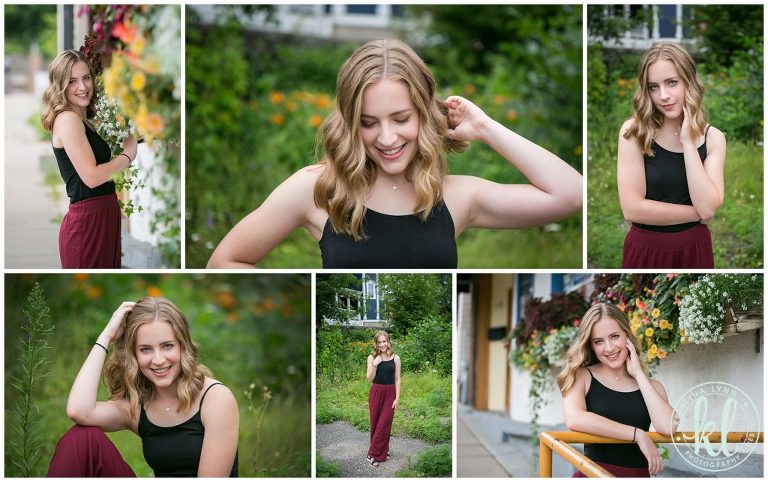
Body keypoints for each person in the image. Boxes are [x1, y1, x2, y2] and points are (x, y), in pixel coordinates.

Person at [207, 39, 582, 269]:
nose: (387, 138)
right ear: (350, 122)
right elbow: (224, 261)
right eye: (368, 122)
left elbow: (572, 194)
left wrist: (485, 128)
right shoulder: (317, 189)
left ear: (423, 111)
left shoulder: (454, 196)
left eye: (401, 119)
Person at [47, 297, 239, 477]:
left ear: (183, 346)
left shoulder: (216, 399)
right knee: (81, 438)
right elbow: (79, 411)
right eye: (145, 349)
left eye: (167, 346)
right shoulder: (138, 407)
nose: (158, 360)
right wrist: (105, 337)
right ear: (134, 356)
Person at [617, 42, 725, 268]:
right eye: (653, 87)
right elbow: (632, 208)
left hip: (694, 249)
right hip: (646, 249)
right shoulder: (634, 131)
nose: (663, 95)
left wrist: (687, 143)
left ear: (689, 81)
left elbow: (708, 205)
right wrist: (697, 214)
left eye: (672, 83)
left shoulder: (714, 138)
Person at [41, 50, 137, 268]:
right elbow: (92, 177)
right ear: (61, 86)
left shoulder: (82, 119)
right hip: (88, 222)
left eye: (86, 78)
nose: (83, 87)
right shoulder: (67, 120)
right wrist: (127, 156)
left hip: (103, 215)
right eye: (72, 81)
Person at [558, 303, 677, 477]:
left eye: (614, 336)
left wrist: (638, 374)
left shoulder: (652, 386)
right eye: (598, 341)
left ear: (627, 336)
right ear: (591, 345)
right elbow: (574, 418)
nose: (609, 348)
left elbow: (668, 427)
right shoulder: (581, 376)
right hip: (595, 475)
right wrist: (638, 435)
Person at [365, 331, 401, 468]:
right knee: (376, 423)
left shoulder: (395, 358)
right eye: (379, 342)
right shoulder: (372, 357)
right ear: (376, 343)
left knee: (384, 423)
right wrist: (375, 363)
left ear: (388, 342)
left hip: (390, 392)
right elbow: (369, 378)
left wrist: (397, 398)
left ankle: (372, 453)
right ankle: (379, 452)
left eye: (384, 341)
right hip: (376, 392)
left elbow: (397, 379)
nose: (382, 344)